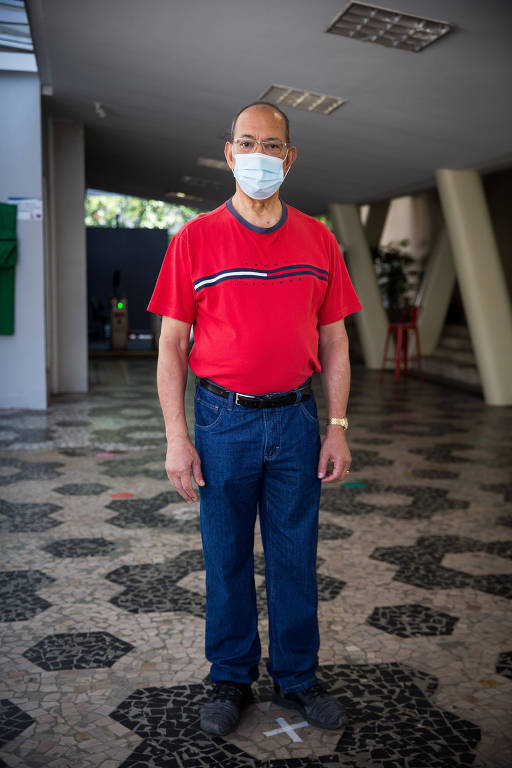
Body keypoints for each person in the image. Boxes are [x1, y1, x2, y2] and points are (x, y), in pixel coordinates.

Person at [148, 101, 362, 737]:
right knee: (227, 558)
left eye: (272, 146)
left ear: (289, 158)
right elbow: (170, 347)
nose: (259, 155)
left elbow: (336, 343)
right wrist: (177, 438)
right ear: (228, 152)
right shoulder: (194, 239)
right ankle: (230, 680)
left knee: (296, 557)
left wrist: (338, 427)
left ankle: (298, 680)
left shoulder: (319, 238)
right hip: (222, 423)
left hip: (296, 422)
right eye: (247, 143)